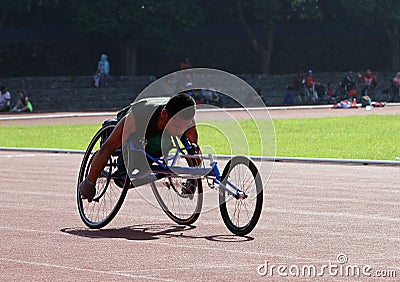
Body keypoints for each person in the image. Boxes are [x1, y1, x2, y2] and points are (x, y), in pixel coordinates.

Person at [78, 93, 200, 202]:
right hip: (136, 129)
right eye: (177, 126)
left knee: (159, 147)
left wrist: (193, 179)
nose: (180, 131)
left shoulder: (187, 122)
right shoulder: (138, 116)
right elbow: (108, 147)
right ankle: (126, 167)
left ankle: (149, 167)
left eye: (183, 127)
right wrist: (90, 182)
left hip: (155, 138)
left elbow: (195, 155)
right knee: (122, 179)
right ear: (164, 114)